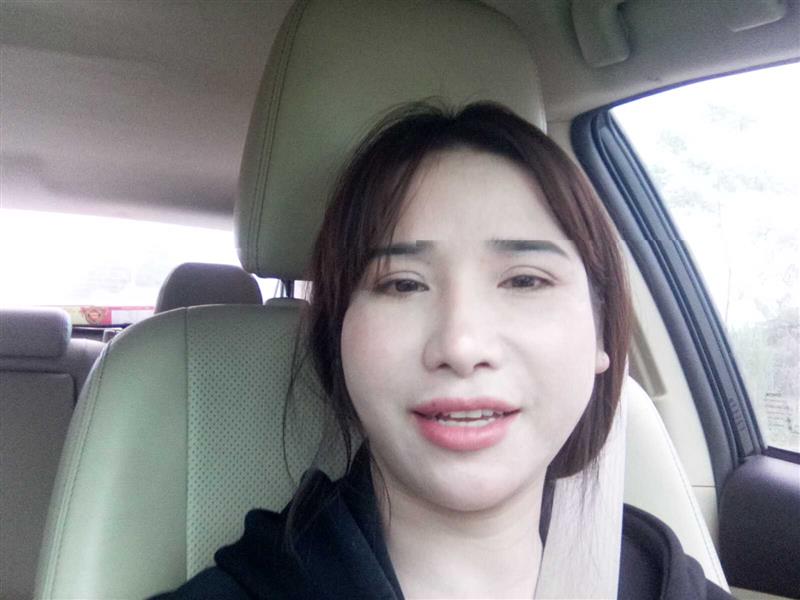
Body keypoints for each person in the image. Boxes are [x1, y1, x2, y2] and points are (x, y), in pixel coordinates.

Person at [151, 102, 732, 599]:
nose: (461, 345)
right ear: (338, 338)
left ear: (602, 334)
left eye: (525, 280)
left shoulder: (664, 582)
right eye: (403, 284)